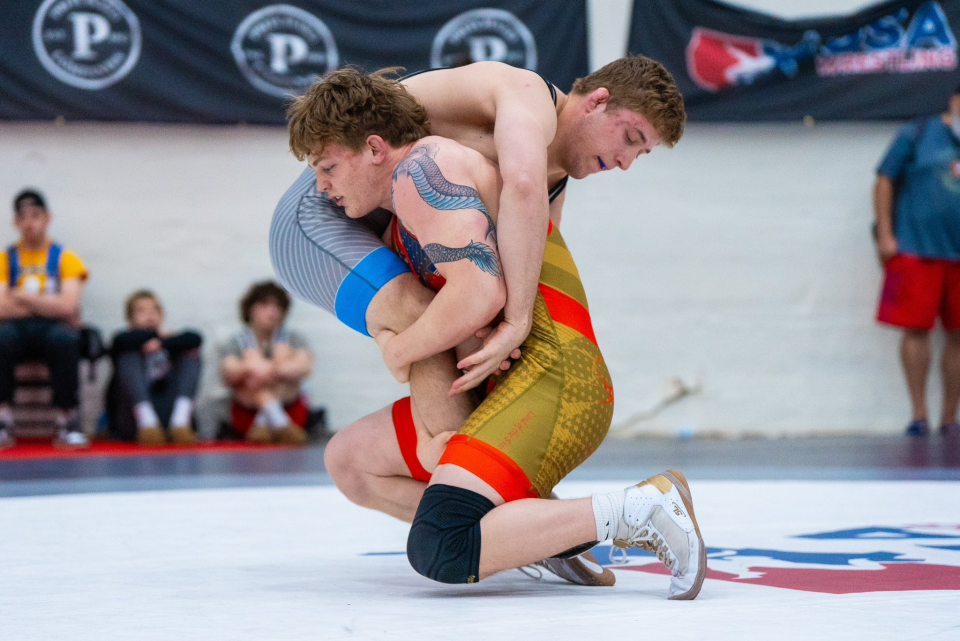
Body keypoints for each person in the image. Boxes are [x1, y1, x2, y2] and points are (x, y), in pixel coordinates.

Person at [288, 68, 704, 599]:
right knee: (350, 462)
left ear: (373, 147)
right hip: (520, 376)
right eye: (629, 140)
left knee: (442, 544)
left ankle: (640, 507)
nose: (321, 187)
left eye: (326, 167)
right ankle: (538, 538)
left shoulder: (424, 171)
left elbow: (481, 292)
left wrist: (400, 348)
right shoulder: (416, 199)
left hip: (556, 379)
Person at [874, 84, 960, 438]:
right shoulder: (918, 132)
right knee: (915, 329)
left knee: (958, 335)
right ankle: (919, 413)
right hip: (915, 250)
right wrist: (885, 233)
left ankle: (950, 417)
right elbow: (884, 179)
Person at [0, 190, 89, 449]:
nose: (30, 222)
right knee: (0, 339)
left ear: (47, 218)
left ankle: (67, 418)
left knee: (66, 339)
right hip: (14, 330)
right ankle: (2, 419)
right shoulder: (5, 259)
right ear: (15, 223)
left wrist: (20, 296)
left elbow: (70, 305)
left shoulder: (65, 258)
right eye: (23, 217)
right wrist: (49, 305)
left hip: (53, 330)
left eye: (35, 216)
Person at [219, 281, 313, 445]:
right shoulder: (237, 341)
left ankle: (266, 420)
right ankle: (278, 421)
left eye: (278, 306)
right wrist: (249, 367)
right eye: (265, 304)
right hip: (249, 415)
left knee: (278, 368)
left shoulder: (292, 338)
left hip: (289, 410)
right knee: (250, 370)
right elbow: (228, 372)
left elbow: (305, 367)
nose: (272, 311)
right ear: (251, 308)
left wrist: (272, 369)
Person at [107, 290, 202, 446]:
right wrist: (158, 339)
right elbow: (121, 341)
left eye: (154, 310)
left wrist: (163, 343)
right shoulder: (125, 342)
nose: (149, 315)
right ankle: (147, 422)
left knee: (191, 353)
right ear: (130, 317)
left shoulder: (172, 341)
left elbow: (195, 338)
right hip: (135, 416)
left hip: (167, 411)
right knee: (129, 355)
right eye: (142, 311)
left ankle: (180, 422)